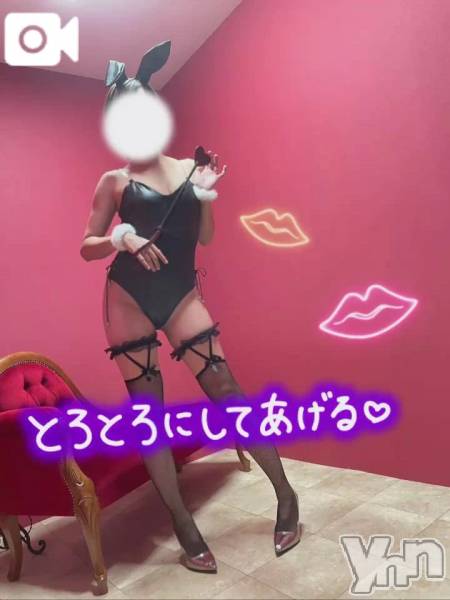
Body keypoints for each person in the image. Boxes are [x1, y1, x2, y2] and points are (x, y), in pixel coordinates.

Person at [80, 40, 301, 574]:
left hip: (180, 292)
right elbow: (87, 246)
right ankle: (183, 523)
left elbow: (204, 238)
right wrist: (122, 237)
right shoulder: (113, 182)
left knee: (227, 390)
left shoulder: (188, 168)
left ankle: (286, 495)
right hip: (127, 297)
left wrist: (204, 197)